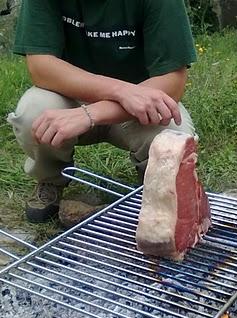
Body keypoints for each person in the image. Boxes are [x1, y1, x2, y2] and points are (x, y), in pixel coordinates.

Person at [7, 0, 197, 223]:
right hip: (70, 97)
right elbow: (41, 66)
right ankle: (50, 179)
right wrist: (119, 91)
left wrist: (93, 113)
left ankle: (154, 183)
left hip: (140, 102)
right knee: (33, 111)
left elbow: (172, 80)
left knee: (175, 135)